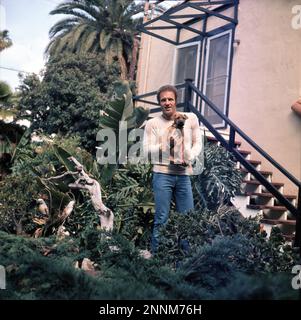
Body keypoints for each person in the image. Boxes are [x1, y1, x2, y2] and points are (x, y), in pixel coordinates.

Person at [143, 84, 202, 253]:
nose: (167, 102)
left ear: (176, 101)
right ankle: (158, 259)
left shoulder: (190, 119)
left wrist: (191, 154)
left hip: (183, 176)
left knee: (187, 219)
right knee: (161, 218)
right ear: (159, 103)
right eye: (163, 100)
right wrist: (164, 146)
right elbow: (147, 150)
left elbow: (198, 142)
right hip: (162, 175)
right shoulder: (152, 123)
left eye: (170, 99)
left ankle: (187, 260)